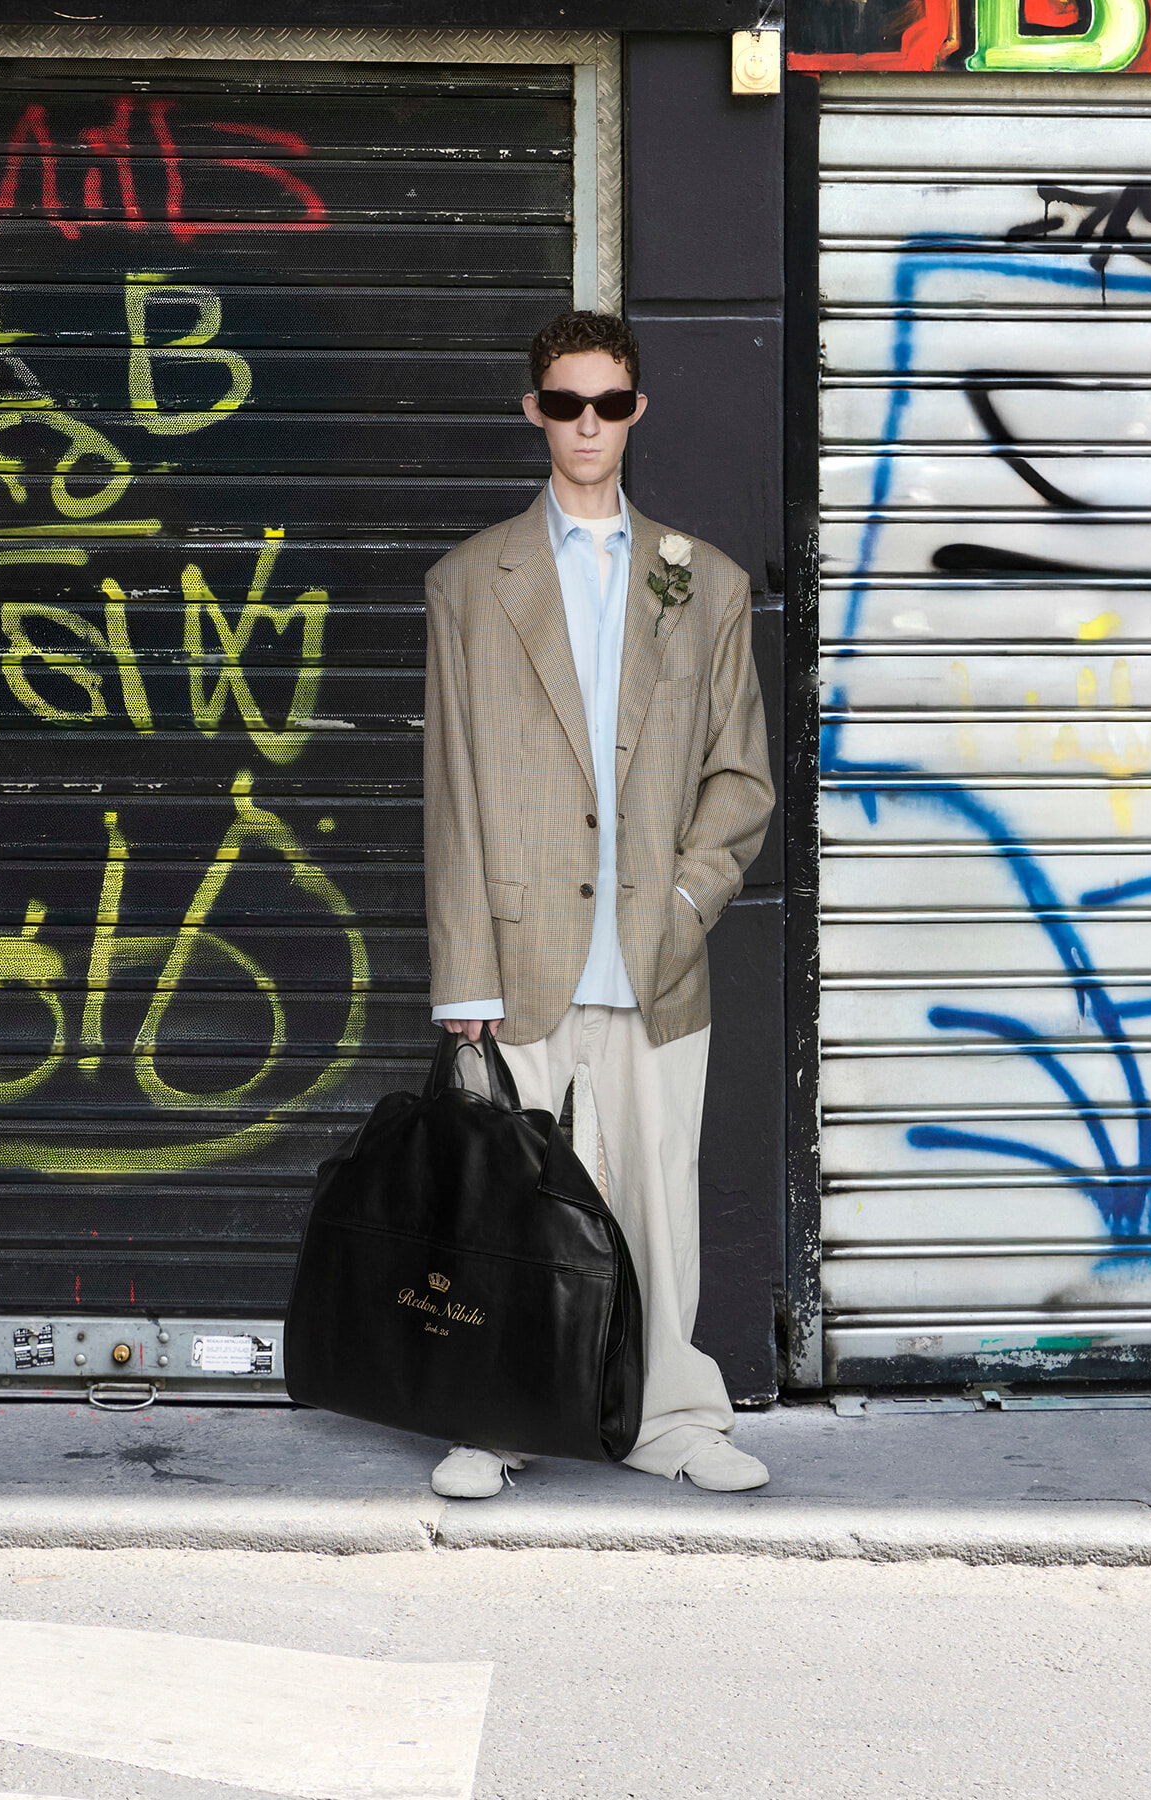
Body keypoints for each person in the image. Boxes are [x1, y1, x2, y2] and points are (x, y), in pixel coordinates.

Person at [423, 310, 775, 1498]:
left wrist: (685, 899)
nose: (587, 425)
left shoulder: (704, 581)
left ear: (636, 412)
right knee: (515, 1204)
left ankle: (674, 1417)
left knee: (657, 1194)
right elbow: (455, 788)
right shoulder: (470, 583)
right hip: (518, 947)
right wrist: (461, 975)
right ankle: (499, 1413)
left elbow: (741, 778)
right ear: (535, 412)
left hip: (652, 946)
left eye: (608, 404)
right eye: (565, 403)